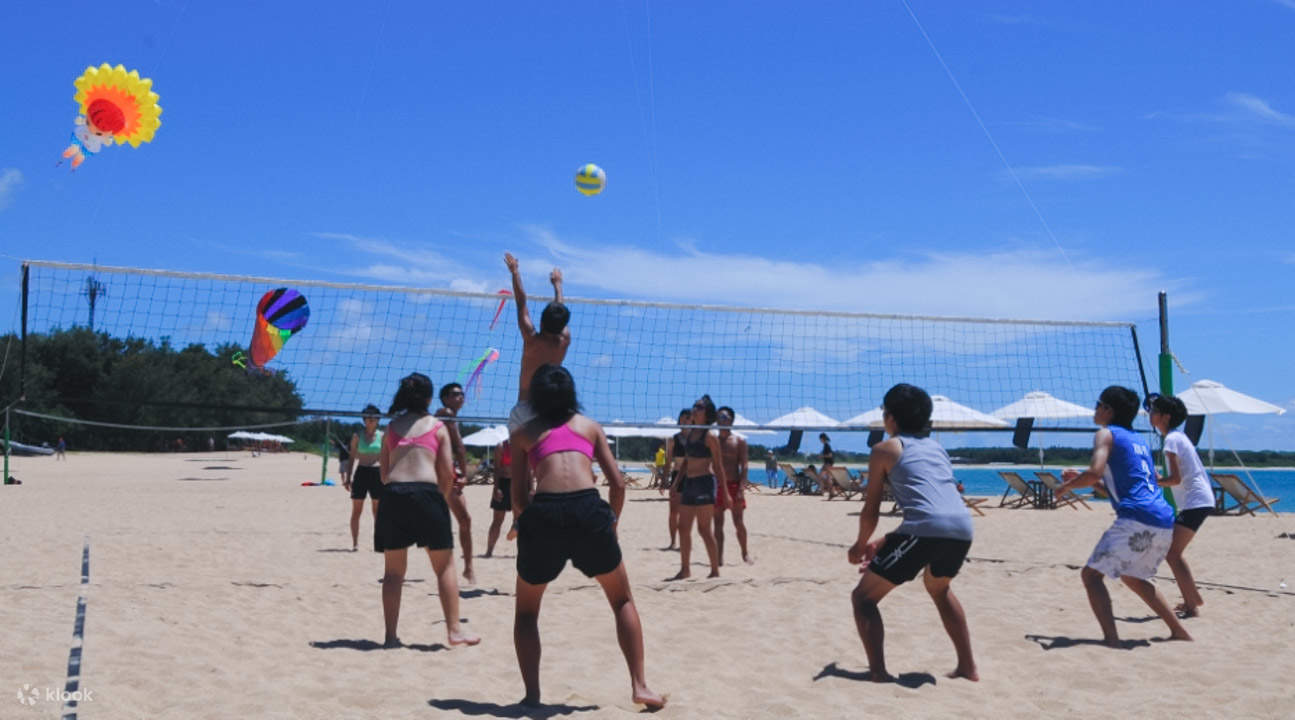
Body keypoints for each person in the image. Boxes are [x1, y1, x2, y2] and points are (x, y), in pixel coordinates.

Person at [509, 364, 664, 709]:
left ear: (535, 398)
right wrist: (612, 523)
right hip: (587, 509)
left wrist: (528, 522)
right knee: (621, 600)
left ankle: (532, 696)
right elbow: (619, 485)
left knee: (526, 613)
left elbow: (518, 499)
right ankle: (640, 686)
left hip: (545, 511)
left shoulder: (522, 434)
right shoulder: (589, 427)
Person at [847, 384, 978, 682]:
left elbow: (871, 511)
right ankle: (968, 668)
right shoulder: (938, 448)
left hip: (928, 529)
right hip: (962, 527)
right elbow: (932, 507)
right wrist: (886, 541)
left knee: (863, 599)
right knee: (940, 589)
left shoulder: (885, 448)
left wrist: (860, 544)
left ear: (890, 417)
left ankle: (878, 673)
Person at [1054, 386, 1192, 646]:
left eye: (1098, 404)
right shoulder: (1139, 440)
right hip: (1163, 518)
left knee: (1091, 576)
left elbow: (1095, 472)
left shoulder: (1105, 434)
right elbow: (1118, 489)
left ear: (1108, 409)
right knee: (1134, 577)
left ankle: (1111, 639)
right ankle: (1179, 631)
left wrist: (1066, 486)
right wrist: (1087, 483)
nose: (1095, 409)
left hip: (1137, 517)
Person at [376, 373, 479, 648]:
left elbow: (384, 474)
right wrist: (439, 498)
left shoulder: (392, 427)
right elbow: (446, 472)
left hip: (394, 495)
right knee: (444, 566)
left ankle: (390, 637)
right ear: (430, 398)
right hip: (427, 493)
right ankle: (454, 630)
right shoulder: (437, 427)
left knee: (393, 573)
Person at [1149, 393, 1213, 618]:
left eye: (1153, 411)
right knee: (1173, 552)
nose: (1150, 414)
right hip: (1198, 501)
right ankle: (1192, 599)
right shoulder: (1177, 437)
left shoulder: (1172, 440)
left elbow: (1175, 479)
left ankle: (1192, 603)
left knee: (1173, 553)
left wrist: (1154, 481)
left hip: (1196, 501)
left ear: (1165, 417)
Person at [503, 252, 571, 435]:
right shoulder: (564, 340)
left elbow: (521, 301)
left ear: (541, 322)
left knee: (521, 462)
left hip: (527, 407)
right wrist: (558, 286)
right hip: (551, 408)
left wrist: (515, 272)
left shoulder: (531, 339)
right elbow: (560, 312)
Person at [666, 395, 731, 580]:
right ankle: (685, 569)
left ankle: (714, 570)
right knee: (683, 527)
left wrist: (725, 493)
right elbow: (686, 462)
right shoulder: (691, 432)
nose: (695, 409)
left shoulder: (709, 436)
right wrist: (676, 483)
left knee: (704, 530)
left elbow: (718, 466)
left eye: (699, 407)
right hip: (689, 483)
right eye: (694, 406)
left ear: (707, 413)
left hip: (704, 483)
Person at [434, 382, 477, 584]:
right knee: (461, 520)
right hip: (441, 472)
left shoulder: (447, 414)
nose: (460, 397)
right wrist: (464, 473)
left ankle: (467, 567)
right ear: (445, 398)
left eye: (461, 394)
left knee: (463, 520)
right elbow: (459, 446)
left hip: (443, 470)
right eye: (455, 394)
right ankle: (464, 567)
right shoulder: (445, 412)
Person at [714, 407, 753, 565]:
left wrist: (741, 488)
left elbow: (744, 465)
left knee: (738, 522)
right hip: (717, 485)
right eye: (719, 417)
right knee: (717, 523)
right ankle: (719, 557)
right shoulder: (713, 441)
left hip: (734, 485)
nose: (721, 419)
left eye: (724, 417)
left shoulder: (739, 441)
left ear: (731, 420)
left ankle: (745, 553)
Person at [345, 405, 384, 552]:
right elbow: (351, 458)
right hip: (361, 472)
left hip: (377, 473)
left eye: (374, 417)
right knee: (356, 510)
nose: (371, 420)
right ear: (364, 419)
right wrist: (348, 477)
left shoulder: (382, 436)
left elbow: (387, 458)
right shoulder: (357, 436)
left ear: (378, 419)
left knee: (377, 511)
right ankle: (355, 543)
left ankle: (379, 542)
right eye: (368, 417)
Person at [660, 408, 690, 549]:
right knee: (673, 512)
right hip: (677, 476)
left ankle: (684, 542)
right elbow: (668, 461)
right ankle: (673, 542)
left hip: (691, 477)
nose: (685, 420)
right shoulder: (674, 439)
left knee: (687, 513)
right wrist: (663, 481)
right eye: (683, 418)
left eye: (688, 418)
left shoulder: (696, 439)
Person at [485, 437, 516, 558]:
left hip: (518, 483)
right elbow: (497, 469)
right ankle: (489, 551)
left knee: (520, 520)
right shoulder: (501, 446)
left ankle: (522, 552)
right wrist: (496, 488)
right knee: (497, 520)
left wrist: (531, 488)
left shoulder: (524, 445)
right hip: (503, 483)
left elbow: (527, 469)